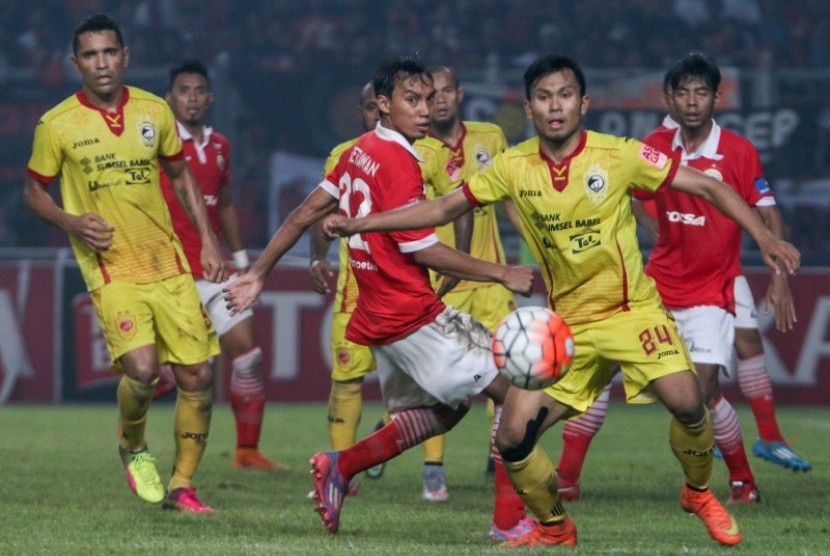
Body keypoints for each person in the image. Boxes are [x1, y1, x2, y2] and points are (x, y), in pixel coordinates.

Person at [322, 54, 801, 548]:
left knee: (688, 401)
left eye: (566, 95)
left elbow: (706, 185)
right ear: (528, 109)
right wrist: (360, 223)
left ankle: (699, 492)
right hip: (566, 326)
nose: (556, 106)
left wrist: (763, 240)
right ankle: (554, 526)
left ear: (583, 103)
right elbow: (444, 206)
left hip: (629, 313)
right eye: (545, 97)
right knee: (512, 435)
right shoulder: (512, 166)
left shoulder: (619, 155)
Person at [225, 57, 535, 538]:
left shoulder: (360, 151)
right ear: (384, 106)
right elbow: (427, 250)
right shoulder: (399, 163)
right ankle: (509, 524)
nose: (425, 110)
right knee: (515, 394)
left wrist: (259, 273)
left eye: (429, 100)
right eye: (412, 100)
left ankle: (341, 465)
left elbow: (304, 213)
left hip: (379, 315)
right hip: (412, 315)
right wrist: (501, 272)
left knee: (446, 411)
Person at [555, 53, 810, 504]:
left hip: (711, 293)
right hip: (655, 285)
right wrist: (645, 217)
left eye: (702, 93)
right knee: (598, 372)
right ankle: (567, 479)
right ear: (668, 99)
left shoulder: (738, 151)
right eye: (684, 93)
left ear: (716, 98)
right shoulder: (654, 143)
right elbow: (628, 190)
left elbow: (767, 214)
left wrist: (780, 276)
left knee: (702, 391)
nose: (692, 102)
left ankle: (741, 481)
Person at [23, 14, 223, 513]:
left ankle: (182, 485)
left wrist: (209, 241)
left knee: (198, 376)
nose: (101, 63)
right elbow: (33, 193)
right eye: (90, 55)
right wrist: (72, 223)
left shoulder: (156, 110)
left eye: (109, 52)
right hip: (111, 266)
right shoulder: (57, 124)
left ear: (125, 56)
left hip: (169, 263)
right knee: (142, 367)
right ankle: (133, 445)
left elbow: (182, 179)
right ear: (76, 64)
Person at [157, 58, 287, 472]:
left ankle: (247, 451)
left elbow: (226, 203)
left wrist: (243, 260)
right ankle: (142, 449)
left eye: (198, 91)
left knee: (247, 352)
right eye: (183, 91)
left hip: (216, 273)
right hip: (172, 272)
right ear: (169, 98)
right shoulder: (157, 145)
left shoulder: (220, 146)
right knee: (176, 372)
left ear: (210, 98)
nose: (191, 99)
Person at [414, 65, 526, 532]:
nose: (439, 100)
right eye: (429, 94)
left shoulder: (491, 136)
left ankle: (497, 458)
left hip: (494, 283)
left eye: (445, 91)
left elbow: (509, 200)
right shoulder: (418, 150)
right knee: (441, 381)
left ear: (460, 94)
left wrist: (535, 246)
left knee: (507, 375)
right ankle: (433, 467)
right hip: (446, 283)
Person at [308, 81, 383, 496]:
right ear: (362, 111)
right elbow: (321, 213)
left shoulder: (426, 153)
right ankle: (339, 471)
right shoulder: (342, 155)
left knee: (434, 387)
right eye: (369, 107)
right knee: (347, 380)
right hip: (356, 293)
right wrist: (318, 257)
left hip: (411, 290)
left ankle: (392, 439)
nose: (375, 115)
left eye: (381, 107)